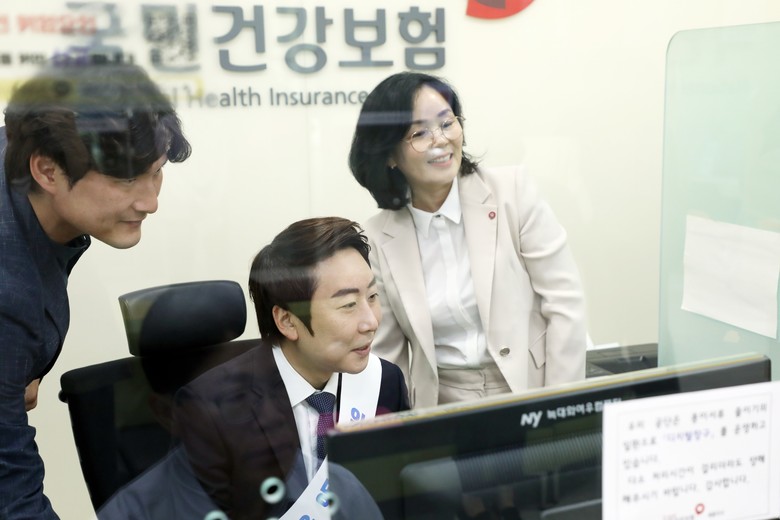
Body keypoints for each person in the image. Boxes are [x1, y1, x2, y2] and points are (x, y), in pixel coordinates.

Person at [0, 61, 191, 519]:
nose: (150, 201)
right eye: (125, 179)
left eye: (156, 171)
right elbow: (11, 493)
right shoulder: (8, 294)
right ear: (47, 171)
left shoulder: (22, 150)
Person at [348, 71, 587, 409]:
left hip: (532, 387)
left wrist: (560, 409)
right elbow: (387, 356)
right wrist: (397, 430)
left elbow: (565, 303)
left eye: (447, 123)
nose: (441, 140)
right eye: (419, 133)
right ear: (389, 155)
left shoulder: (512, 192)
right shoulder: (376, 238)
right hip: (441, 406)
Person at [172, 217, 409, 520]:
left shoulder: (385, 382)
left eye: (373, 297)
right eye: (349, 304)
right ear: (287, 321)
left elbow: (401, 500)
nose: (371, 322)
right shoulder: (211, 409)